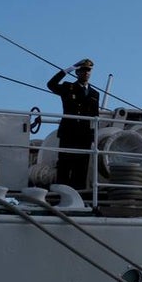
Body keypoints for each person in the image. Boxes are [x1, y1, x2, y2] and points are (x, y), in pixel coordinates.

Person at [47, 58, 99, 188]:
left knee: (81, 168)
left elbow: (94, 116)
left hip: (84, 134)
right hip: (69, 132)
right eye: (83, 70)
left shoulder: (94, 93)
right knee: (65, 165)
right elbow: (51, 84)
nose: (86, 73)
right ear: (77, 72)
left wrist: (93, 135)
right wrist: (69, 69)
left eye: (88, 70)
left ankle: (78, 196)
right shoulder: (68, 87)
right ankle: (61, 194)